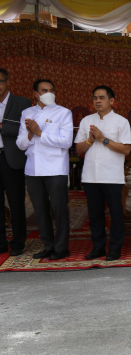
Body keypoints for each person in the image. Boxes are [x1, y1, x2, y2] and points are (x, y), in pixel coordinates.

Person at [15, 79, 72, 260]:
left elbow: (66, 142)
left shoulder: (63, 113)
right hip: (33, 169)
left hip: (55, 168)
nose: (49, 93)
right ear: (35, 94)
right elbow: (20, 144)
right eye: (44, 90)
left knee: (59, 209)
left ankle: (61, 247)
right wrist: (30, 134)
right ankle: (48, 245)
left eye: (51, 90)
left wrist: (40, 133)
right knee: (40, 210)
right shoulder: (26, 113)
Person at [74, 86, 131, 261]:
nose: (97, 101)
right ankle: (98, 247)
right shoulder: (86, 121)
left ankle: (115, 248)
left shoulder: (121, 122)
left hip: (112, 176)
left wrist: (103, 139)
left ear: (112, 101)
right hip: (91, 175)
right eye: (95, 98)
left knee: (115, 214)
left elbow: (126, 150)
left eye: (102, 97)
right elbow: (78, 149)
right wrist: (90, 140)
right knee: (95, 214)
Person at [0, 68, 33, 256]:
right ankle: (1, 243)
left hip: (11, 158)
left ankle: (19, 242)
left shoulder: (22, 102)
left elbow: (24, 129)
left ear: (7, 82)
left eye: (0, 81)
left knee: (16, 203)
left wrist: (2, 127)